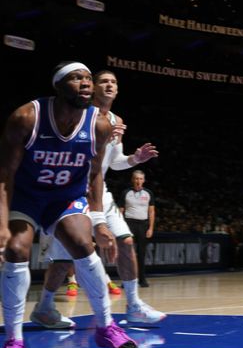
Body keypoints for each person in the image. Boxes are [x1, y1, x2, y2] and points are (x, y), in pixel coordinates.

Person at [0, 61, 138, 348]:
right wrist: (1, 224)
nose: (85, 83)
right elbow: (5, 175)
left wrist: (100, 221)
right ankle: (14, 341)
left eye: (88, 78)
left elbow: (95, 175)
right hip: (27, 196)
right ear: (59, 85)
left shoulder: (99, 125)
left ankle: (106, 327)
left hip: (66, 197)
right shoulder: (27, 117)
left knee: (83, 245)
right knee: (15, 249)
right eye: (76, 78)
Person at [30, 70, 166, 329]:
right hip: (70, 192)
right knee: (63, 260)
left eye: (114, 82)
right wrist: (99, 134)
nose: (109, 85)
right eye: (103, 81)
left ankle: (134, 305)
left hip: (99, 191)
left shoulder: (116, 120)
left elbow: (113, 163)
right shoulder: (77, 114)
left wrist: (135, 159)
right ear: (93, 88)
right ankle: (45, 307)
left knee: (126, 242)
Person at [120, 169, 156, 287]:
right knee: (127, 253)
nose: (138, 181)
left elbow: (151, 212)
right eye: (136, 178)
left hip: (143, 225)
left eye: (140, 179)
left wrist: (150, 228)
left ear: (144, 180)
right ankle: (126, 280)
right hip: (128, 224)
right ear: (132, 180)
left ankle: (142, 279)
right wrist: (120, 227)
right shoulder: (126, 192)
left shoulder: (148, 193)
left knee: (141, 253)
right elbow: (120, 211)